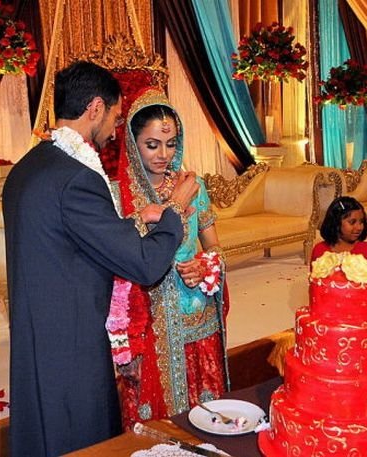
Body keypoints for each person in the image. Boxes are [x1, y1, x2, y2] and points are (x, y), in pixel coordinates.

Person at [2, 62, 199, 456]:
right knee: (80, 439)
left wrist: (133, 221)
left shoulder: (29, 167)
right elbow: (143, 264)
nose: (114, 130)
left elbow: (69, 239)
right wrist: (175, 208)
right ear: (95, 108)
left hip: (37, 333)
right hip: (71, 344)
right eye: (114, 116)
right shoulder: (78, 177)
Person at [106, 87, 228, 429]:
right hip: (147, 319)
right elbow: (116, 261)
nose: (164, 154)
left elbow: (215, 247)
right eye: (152, 144)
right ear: (133, 143)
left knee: (203, 413)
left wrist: (206, 266)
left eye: (171, 143)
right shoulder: (118, 195)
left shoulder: (193, 186)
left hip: (195, 314)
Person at [311, 196, 367, 302]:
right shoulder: (320, 250)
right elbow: (315, 289)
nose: (359, 227)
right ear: (336, 223)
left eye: (361, 222)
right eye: (352, 222)